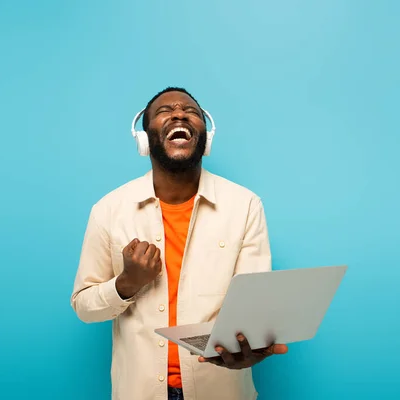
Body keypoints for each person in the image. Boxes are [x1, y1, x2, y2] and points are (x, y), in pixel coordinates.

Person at [70, 87, 288, 400]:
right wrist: (126, 284)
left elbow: (252, 307)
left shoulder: (245, 205)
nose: (178, 113)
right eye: (163, 111)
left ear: (205, 137)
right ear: (144, 139)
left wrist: (251, 343)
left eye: (191, 111)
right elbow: (84, 307)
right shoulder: (108, 210)